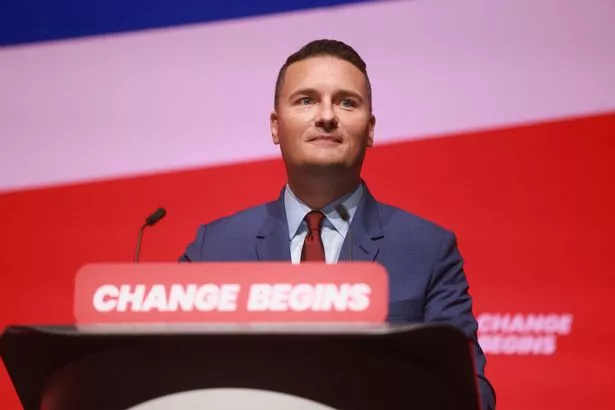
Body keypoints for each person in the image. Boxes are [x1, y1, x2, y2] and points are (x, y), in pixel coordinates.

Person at [179, 39, 496, 409]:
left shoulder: (428, 250)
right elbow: (169, 376)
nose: (327, 116)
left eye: (346, 102)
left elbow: (471, 394)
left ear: (371, 129)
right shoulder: (214, 249)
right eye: (306, 100)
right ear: (275, 126)